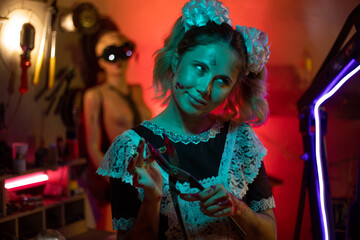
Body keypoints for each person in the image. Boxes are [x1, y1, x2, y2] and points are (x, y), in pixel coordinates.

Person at [97, 0, 276, 239]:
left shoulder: (240, 139)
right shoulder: (131, 149)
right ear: (176, 61)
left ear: (233, 88)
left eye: (222, 81)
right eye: (200, 68)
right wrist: (152, 201)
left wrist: (238, 209)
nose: (205, 88)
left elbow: (270, 235)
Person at [82, 18, 152, 231]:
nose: (118, 62)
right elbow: (92, 145)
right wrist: (113, 179)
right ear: (100, 60)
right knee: (121, 230)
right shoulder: (95, 96)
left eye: (123, 53)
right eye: (110, 56)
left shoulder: (136, 91)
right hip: (120, 175)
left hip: (146, 173)